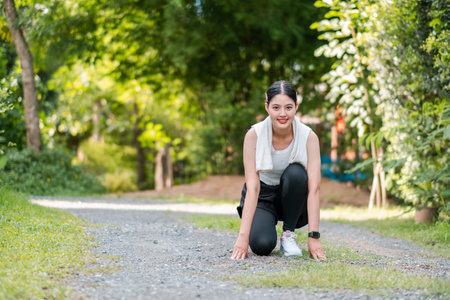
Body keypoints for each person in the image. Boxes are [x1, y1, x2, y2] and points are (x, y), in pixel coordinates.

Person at [231, 80, 326, 261]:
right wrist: (242, 237)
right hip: (262, 197)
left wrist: (313, 237)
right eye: (276, 107)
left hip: (294, 198)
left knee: (297, 173)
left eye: (288, 107)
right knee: (262, 245)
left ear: (296, 107)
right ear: (267, 107)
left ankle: (288, 235)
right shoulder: (254, 135)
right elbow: (253, 187)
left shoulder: (309, 137)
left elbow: (314, 188)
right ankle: (265, 230)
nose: (283, 114)